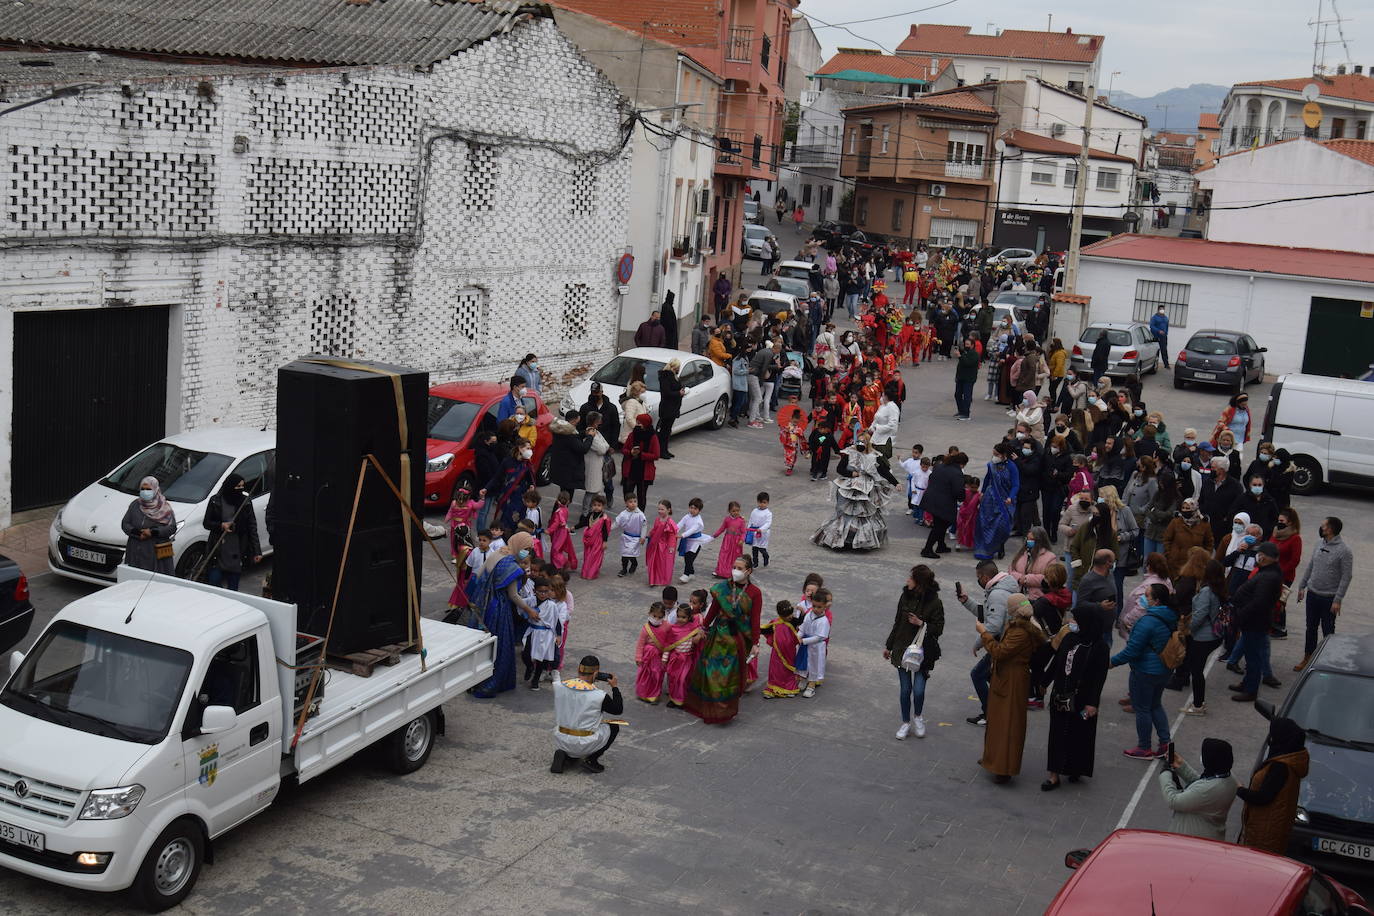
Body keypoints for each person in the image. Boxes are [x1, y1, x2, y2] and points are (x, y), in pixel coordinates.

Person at [976, 594, 1045, 784]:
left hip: (1012, 680)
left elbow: (1000, 652)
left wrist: (984, 633)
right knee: (997, 722)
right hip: (1006, 678)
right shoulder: (1021, 626)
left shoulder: (1021, 631)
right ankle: (993, 759)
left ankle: (1003, 767)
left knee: (1008, 724)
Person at [685, 556, 762, 724]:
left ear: (748, 571)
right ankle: (705, 707)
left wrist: (755, 643)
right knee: (710, 670)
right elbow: (714, 609)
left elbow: (755, 619)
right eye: (734, 566)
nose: (735, 570)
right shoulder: (723, 587)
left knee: (727, 676)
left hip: (736, 639)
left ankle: (723, 711)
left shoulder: (755, 592)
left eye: (740, 568)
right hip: (717, 635)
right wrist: (703, 628)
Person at [1042, 605, 1110, 790]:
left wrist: (1092, 703)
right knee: (1057, 734)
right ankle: (1054, 774)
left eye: (1076, 620)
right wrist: (1043, 683)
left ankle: (1075, 768)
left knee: (1080, 734)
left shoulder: (1100, 647)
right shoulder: (1069, 638)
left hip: (1082, 702)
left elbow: (1099, 678)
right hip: (1060, 697)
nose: (1072, 623)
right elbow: (1056, 662)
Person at [1110, 582, 1178, 759]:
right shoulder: (1170, 616)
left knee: (1142, 709)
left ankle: (1144, 747)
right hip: (1164, 669)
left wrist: (1112, 662)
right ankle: (1165, 743)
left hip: (1145, 671)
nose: (1142, 598)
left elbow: (1132, 650)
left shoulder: (1147, 621)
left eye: (1147, 596)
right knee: (1155, 705)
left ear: (1156, 601)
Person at [470, 532, 539, 699]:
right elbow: (513, 595)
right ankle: (492, 683)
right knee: (500, 647)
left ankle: (474, 681)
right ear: (519, 545)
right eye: (526, 548)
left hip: (483, 605)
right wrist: (530, 610)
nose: (526, 552)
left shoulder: (499, 552)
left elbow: (479, 574)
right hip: (499, 609)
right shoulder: (512, 567)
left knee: (482, 646)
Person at [884, 565, 944, 740]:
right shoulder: (905, 597)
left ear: (919, 583)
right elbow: (897, 622)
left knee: (918, 690)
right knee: (905, 690)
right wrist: (889, 646)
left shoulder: (935, 603)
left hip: (923, 654)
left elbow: (939, 628)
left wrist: (921, 623)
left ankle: (918, 717)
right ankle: (905, 722)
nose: (907, 581)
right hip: (902, 649)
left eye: (910, 578)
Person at [813, 432, 898, 551]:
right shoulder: (849, 453)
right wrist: (851, 473)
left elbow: (883, 471)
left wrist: (896, 482)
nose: (860, 443)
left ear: (867, 443)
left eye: (863, 441)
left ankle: (861, 541)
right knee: (844, 514)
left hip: (866, 489)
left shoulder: (873, 456)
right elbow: (840, 469)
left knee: (863, 515)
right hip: (848, 487)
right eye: (858, 441)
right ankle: (840, 541)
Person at [957, 559, 1017, 727]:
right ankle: (1003, 705)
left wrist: (978, 643)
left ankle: (990, 712)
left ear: (984, 576)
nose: (979, 581)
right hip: (1004, 641)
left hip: (1000, 643)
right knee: (993, 676)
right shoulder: (1001, 587)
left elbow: (993, 626)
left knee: (977, 674)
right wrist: (966, 601)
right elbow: (987, 614)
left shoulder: (997, 594)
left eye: (978, 577)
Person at [1238, 717, 1310, 854]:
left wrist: (1239, 790)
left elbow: (1263, 797)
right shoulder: (1289, 758)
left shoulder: (1280, 766)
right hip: (1273, 829)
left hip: (1265, 833)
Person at [1295, 516, 1352, 671]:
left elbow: (1346, 577)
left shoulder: (1344, 551)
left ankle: (1327, 662)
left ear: (1331, 529)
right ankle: (1308, 657)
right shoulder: (1318, 544)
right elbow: (1311, 565)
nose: (1321, 527)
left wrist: (1338, 599)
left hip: (1329, 598)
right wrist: (1302, 586)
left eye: (1324, 525)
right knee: (1310, 628)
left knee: (1328, 630)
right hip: (1313, 594)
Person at [1229, 541, 1284, 702]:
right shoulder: (1267, 572)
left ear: (1266, 557)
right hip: (1253, 621)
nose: (1258, 556)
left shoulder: (1268, 576)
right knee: (1251, 654)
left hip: (1254, 622)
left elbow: (1259, 602)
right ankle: (1247, 683)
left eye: (1260, 554)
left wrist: (1241, 615)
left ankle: (1251, 690)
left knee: (1253, 658)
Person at [551, 655, 624, 774]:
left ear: (578, 670)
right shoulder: (599, 695)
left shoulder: (560, 686)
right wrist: (615, 687)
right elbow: (618, 709)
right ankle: (592, 759)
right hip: (585, 743)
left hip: (561, 739)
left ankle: (567, 756)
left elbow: (556, 678)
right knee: (614, 726)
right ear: (596, 674)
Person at [1159, 739, 1238, 840]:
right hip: (1211, 834)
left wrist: (1165, 773)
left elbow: (1173, 801)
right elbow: (1202, 782)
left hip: (1192, 841)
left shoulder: (1208, 790)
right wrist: (1181, 766)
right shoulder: (1229, 778)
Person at [1181, 554, 1227, 715]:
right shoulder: (1219, 588)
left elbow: (1200, 615)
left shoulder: (1207, 591)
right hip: (1212, 635)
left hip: (1203, 636)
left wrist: (1188, 629)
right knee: (1197, 668)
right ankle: (1198, 703)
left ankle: (1198, 705)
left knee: (1197, 670)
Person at [202, 473, 262, 590]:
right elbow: (207, 523)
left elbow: (252, 527)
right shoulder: (215, 501)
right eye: (237, 486)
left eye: (242, 486)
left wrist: (257, 551)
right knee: (213, 584)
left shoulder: (246, 502)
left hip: (237, 549)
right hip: (218, 549)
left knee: (233, 589)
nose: (240, 489)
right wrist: (221, 525)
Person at [121, 476, 177, 574]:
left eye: (148, 489)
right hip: (136, 550)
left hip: (157, 552)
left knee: (155, 582)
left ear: (155, 489)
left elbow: (172, 527)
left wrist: (152, 532)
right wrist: (137, 533)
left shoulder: (164, 507)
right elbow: (125, 523)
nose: (145, 492)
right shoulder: (135, 504)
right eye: (143, 489)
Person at [975, 442, 1019, 560]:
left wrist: (1011, 496)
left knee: (1002, 526)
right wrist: (983, 492)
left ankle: (1000, 545)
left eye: (996, 454)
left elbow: (1015, 485)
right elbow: (988, 478)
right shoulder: (992, 465)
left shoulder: (1012, 467)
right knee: (987, 523)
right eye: (993, 453)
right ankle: (985, 548)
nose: (993, 456)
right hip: (990, 498)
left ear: (1003, 455)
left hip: (1005, 500)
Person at [920, 452, 965, 558]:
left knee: (940, 524)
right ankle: (927, 549)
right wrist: (962, 497)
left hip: (932, 498)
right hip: (943, 503)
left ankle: (941, 545)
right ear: (961, 463)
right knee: (940, 526)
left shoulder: (940, 466)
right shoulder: (956, 473)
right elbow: (958, 491)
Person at [760, 601, 802, 699]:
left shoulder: (793, 621)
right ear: (780, 615)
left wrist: (803, 612)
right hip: (777, 653)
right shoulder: (775, 623)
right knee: (775, 670)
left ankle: (789, 688)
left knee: (787, 671)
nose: (790, 617)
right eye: (787, 615)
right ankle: (772, 688)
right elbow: (764, 630)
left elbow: (801, 621)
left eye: (791, 614)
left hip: (789, 652)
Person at [797, 588, 833, 697]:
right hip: (805, 646)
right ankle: (803, 679)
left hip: (815, 647)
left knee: (814, 665)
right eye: (814, 606)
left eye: (819, 607)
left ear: (825, 607)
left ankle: (811, 685)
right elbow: (803, 627)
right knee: (803, 662)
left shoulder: (824, 621)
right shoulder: (808, 615)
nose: (816, 609)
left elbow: (820, 637)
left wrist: (803, 640)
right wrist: (798, 636)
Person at [620, 414, 660, 508]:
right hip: (631, 469)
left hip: (644, 472)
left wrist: (641, 454)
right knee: (627, 494)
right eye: (637, 422)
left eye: (640, 423)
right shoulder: (633, 434)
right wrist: (631, 452)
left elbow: (656, 455)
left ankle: (640, 516)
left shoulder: (652, 437)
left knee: (641, 496)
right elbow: (624, 449)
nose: (638, 425)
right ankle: (628, 512)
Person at [633, 602, 670, 702]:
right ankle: (643, 693)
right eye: (654, 616)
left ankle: (654, 694)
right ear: (649, 613)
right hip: (647, 657)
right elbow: (640, 644)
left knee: (657, 675)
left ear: (664, 616)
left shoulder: (667, 626)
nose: (656, 619)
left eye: (660, 617)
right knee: (646, 675)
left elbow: (670, 639)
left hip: (659, 657)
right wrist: (638, 658)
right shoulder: (645, 629)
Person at [645, 499, 679, 587]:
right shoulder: (657, 519)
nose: (660, 511)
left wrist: (671, 547)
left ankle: (662, 580)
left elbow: (672, 536)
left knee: (663, 564)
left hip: (664, 546)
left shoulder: (670, 522)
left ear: (669, 510)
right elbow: (655, 529)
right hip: (655, 544)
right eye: (659, 509)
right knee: (653, 562)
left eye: (662, 509)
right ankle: (653, 579)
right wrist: (649, 534)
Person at [613, 495, 647, 578]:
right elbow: (616, 523)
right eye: (630, 502)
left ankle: (634, 563)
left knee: (631, 553)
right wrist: (607, 529)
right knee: (624, 554)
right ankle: (624, 569)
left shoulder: (640, 514)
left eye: (635, 501)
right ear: (626, 503)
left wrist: (642, 537)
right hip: (626, 537)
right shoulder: (623, 514)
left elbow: (644, 526)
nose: (633, 504)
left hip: (635, 538)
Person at [656, 359, 684, 459]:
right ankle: (661, 451)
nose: (679, 369)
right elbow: (666, 392)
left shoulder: (674, 377)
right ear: (674, 367)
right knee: (664, 430)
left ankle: (665, 449)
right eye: (678, 367)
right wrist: (678, 393)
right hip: (667, 408)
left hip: (673, 408)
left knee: (667, 430)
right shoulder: (666, 377)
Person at [580, 495, 611, 580]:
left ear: (603, 506)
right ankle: (586, 572)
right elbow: (584, 523)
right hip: (589, 540)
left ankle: (592, 573)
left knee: (594, 557)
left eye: (599, 505)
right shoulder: (590, 515)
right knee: (587, 556)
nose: (596, 507)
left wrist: (604, 542)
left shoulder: (603, 518)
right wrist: (574, 527)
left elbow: (605, 531)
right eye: (594, 505)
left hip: (598, 540)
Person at [953, 334, 979, 420]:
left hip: (969, 379)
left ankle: (966, 414)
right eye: (965, 344)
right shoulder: (965, 352)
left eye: (968, 344)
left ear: (972, 345)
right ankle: (961, 410)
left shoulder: (974, 354)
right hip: (960, 378)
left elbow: (968, 363)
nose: (966, 346)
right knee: (957, 394)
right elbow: (960, 365)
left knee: (967, 396)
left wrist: (960, 356)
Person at [747, 492, 773, 567]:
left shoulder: (768, 513)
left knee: (761, 548)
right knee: (754, 548)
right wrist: (749, 528)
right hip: (754, 532)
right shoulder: (754, 511)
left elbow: (768, 523)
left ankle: (766, 556)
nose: (762, 504)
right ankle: (755, 562)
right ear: (758, 502)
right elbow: (751, 520)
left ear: (767, 503)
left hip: (763, 533)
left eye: (764, 502)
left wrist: (761, 529)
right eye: (760, 502)